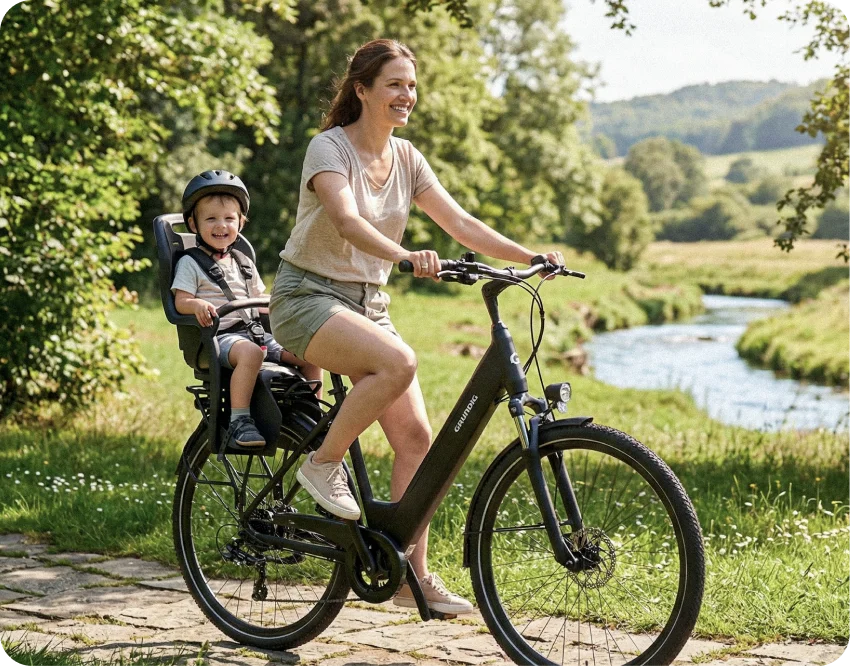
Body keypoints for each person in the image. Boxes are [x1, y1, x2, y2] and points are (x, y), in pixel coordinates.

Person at [269, 39, 564, 614]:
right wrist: (404, 257)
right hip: (306, 297)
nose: (408, 96)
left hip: (367, 303)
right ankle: (323, 462)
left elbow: (458, 222)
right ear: (362, 90)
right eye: (395, 85)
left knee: (419, 443)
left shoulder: (407, 158)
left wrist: (528, 256)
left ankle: (410, 579)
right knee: (398, 362)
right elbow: (348, 221)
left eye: (412, 85)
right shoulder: (328, 149)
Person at [172, 170, 322, 448]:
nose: (221, 225)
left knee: (310, 351)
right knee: (251, 353)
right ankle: (240, 420)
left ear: (241, 222)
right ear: (193, 224)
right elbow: (180, 301)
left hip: (254, 334)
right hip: (218, 339)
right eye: (211, 219)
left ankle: (310, 411)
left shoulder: (242, 262)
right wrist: (197, 304)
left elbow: (261, 300)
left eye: (229, 218)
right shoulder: (190, 263)